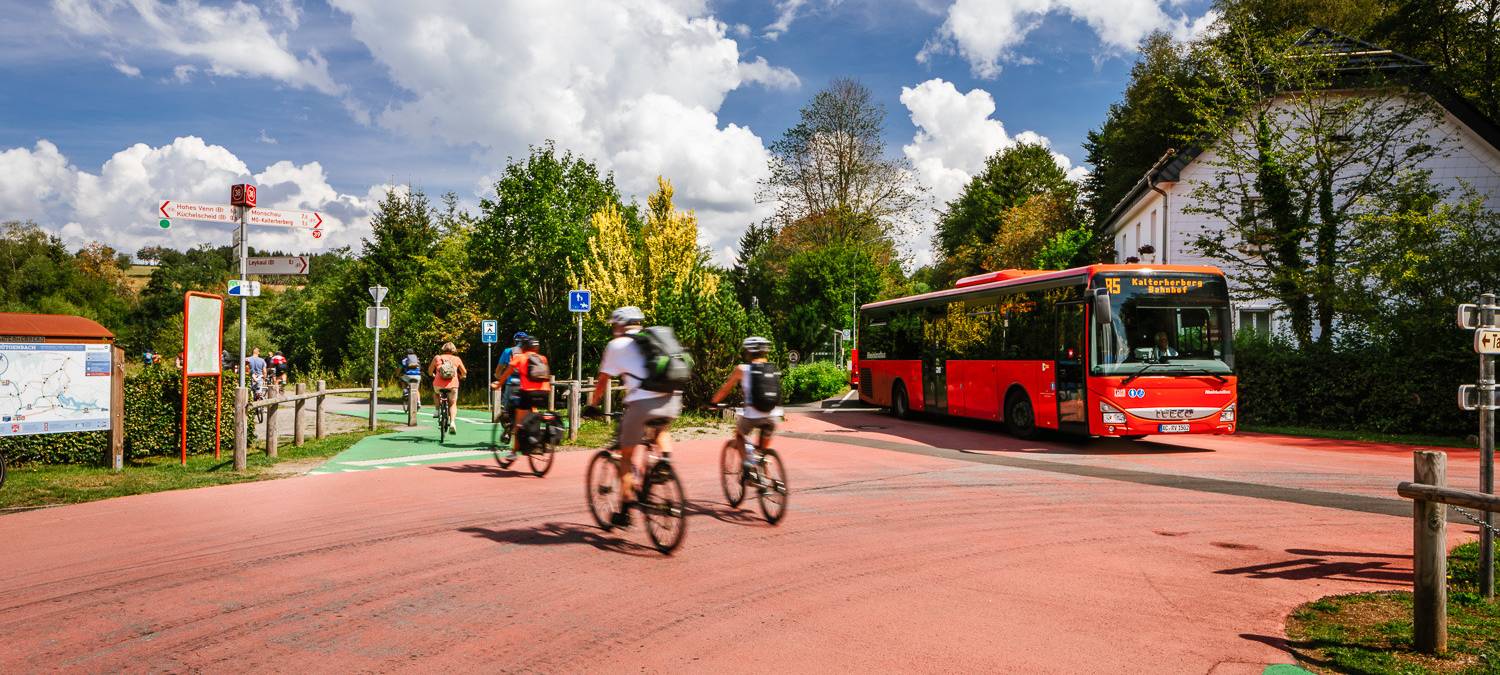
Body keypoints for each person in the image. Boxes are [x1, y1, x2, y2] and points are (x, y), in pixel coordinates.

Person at [587, 306, 681, 527]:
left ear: (620, 324)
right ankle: (664, 463)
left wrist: (593, 405)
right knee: (660, 431)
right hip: (672, 399)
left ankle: (625, 511)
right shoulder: (656, 339)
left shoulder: (616, 345)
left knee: (626, 456)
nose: (613, 329)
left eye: (613, 325)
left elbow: (603, 380)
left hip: (641, 404)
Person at [710, 336, 781, 476]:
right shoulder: (772, 368)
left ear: (748, 352)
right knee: (762, 451)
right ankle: (768, 478)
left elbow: (726, 389)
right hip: (773, 415)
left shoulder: (742, 369)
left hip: (753, 415)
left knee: (739, 436)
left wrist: (713, 402)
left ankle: (747, 466)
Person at [491, 336, 550, 459]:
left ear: (523, 347)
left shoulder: (520, 357)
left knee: (518, 422)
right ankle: (539, 440)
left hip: (527, 393)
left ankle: (513, 452)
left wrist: (498, 384)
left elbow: (507, 373)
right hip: (544, 393)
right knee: (535, 413)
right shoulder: (543, 358)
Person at [429, 342, 466, 434]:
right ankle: (452, 422)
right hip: (453, 385)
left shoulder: (437, 358)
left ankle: (437, 410)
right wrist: (462, 376)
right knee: (453, 403)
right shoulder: (457, 359)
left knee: (436, 393)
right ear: (453, 349)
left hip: (438, 384)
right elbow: (464, 372)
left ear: (443, 348)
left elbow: (430, 371)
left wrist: (433, 375)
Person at [495, 332, 527, 424]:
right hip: (526, 384)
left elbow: (499, 368)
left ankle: (507, 430)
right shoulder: (529, 353)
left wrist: (498, 376)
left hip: (512, 383)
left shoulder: (508, 351)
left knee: (506, 407)